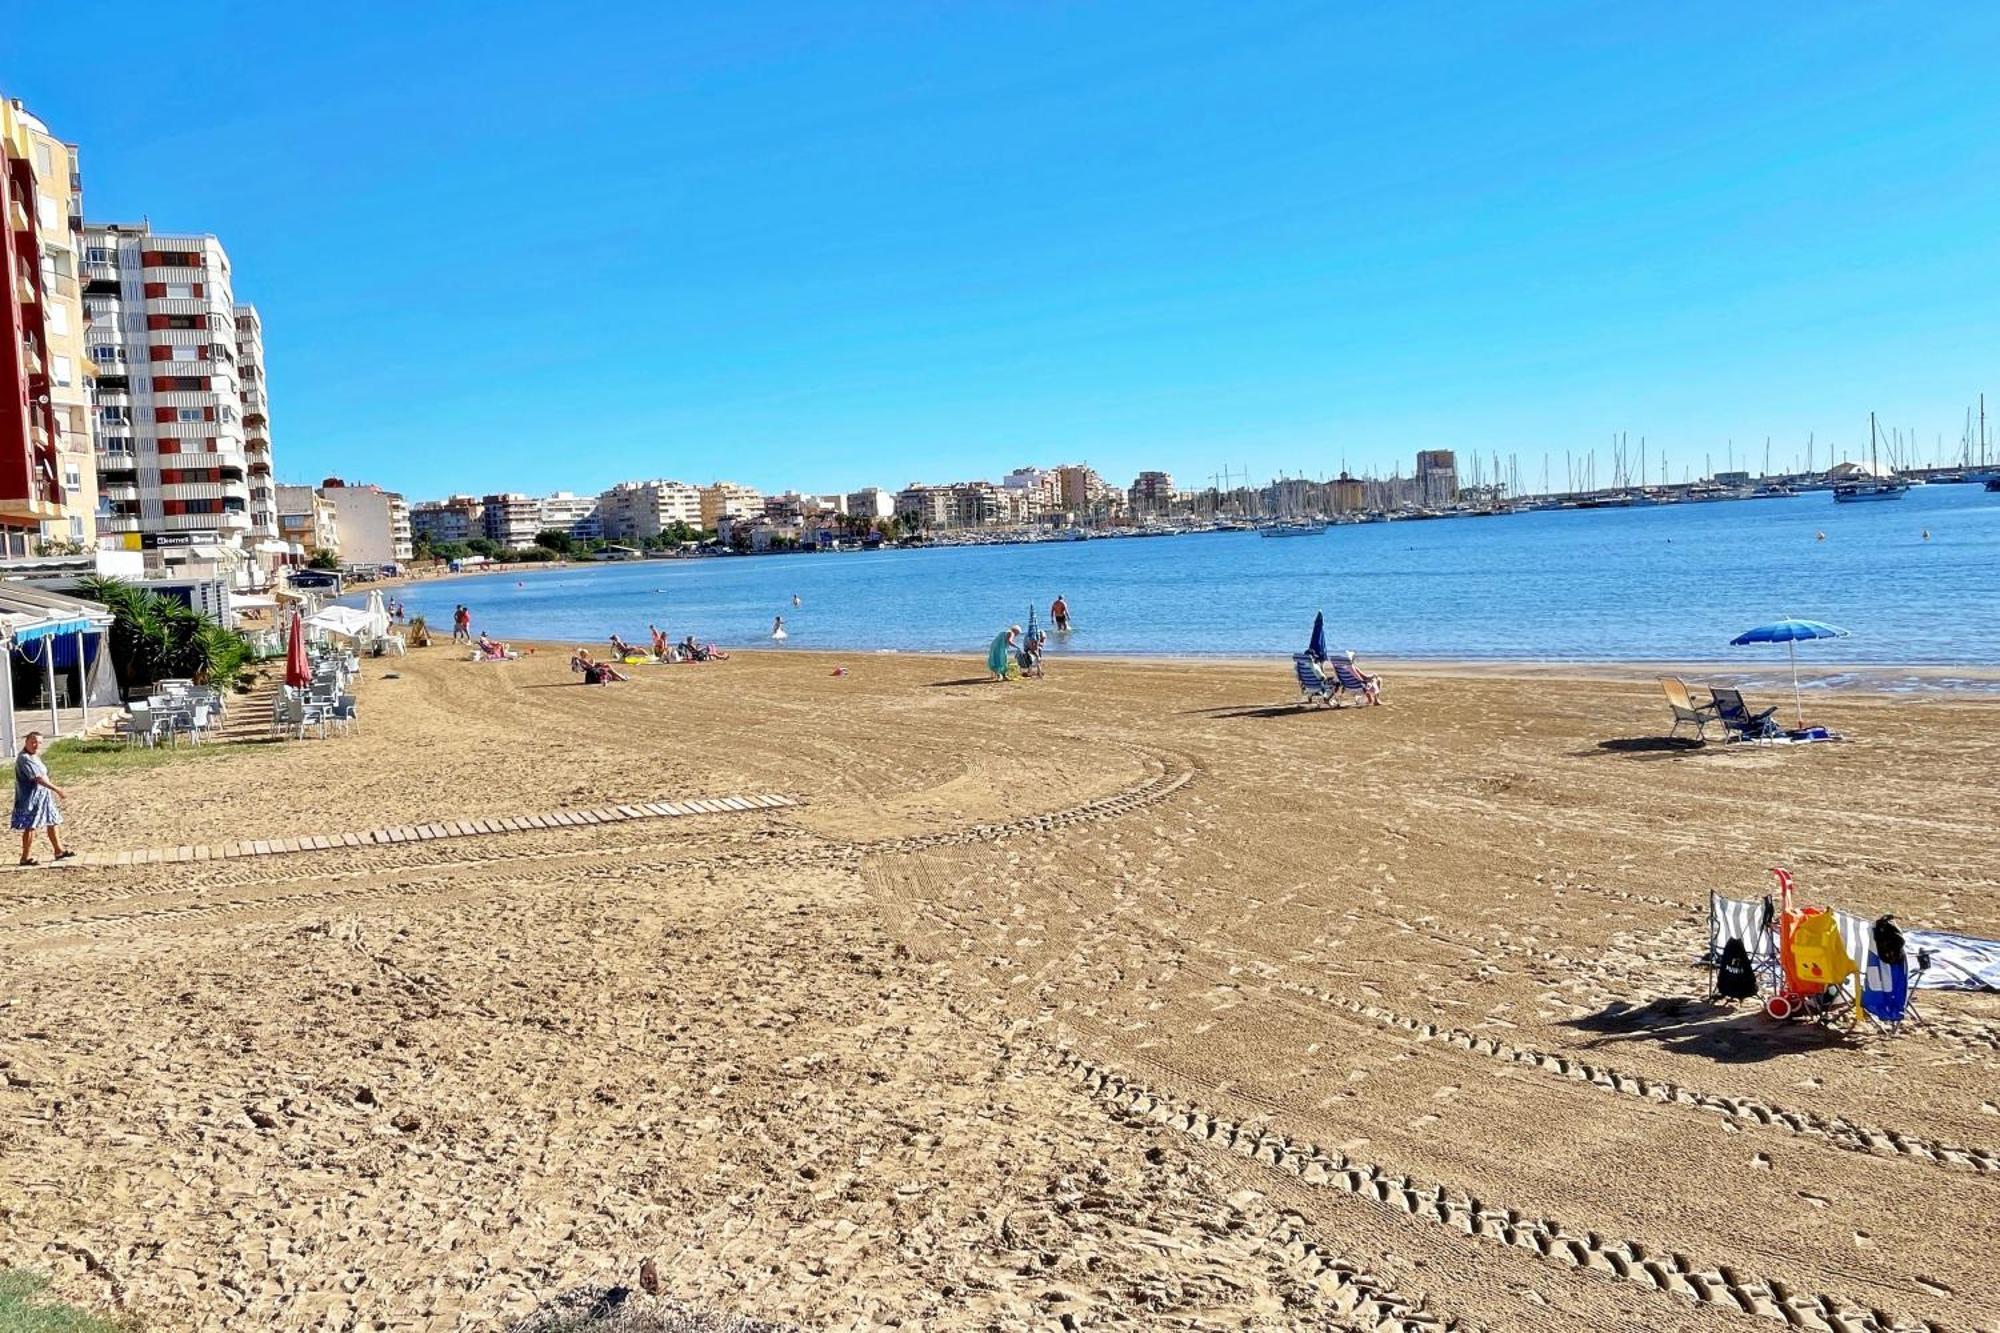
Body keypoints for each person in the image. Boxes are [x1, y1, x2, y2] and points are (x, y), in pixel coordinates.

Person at [13, 732, 71, 866]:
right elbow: (37, 778)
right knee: (30, 825)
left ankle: (58, 850)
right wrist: (57, 789)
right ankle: (25, 857)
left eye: (39, 742)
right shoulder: (24, 758)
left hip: (44, 796)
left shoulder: (35, 757)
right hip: (31, 798)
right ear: (26, 741)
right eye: (33, 742)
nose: (36, 745)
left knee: (52, 820)